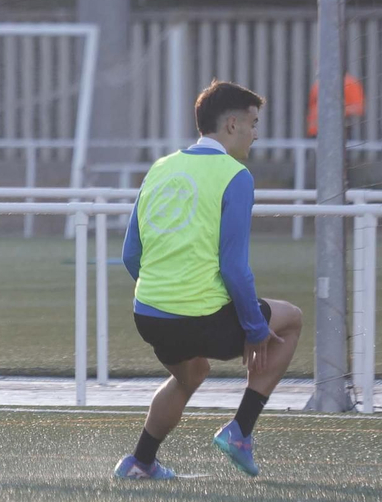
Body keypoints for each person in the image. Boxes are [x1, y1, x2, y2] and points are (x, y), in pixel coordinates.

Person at [115, 80, 304, 480]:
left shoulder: (160, 167)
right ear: (232, 125)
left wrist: (163, 292)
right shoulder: (235, 175)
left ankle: (140, 462)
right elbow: (234, 267)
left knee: (191, 373)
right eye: (253, 123)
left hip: (148, 315)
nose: (256, 133)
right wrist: (254, 330)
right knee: (289, 320)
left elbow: (131, 254)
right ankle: (241, 430)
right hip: (200, 319)